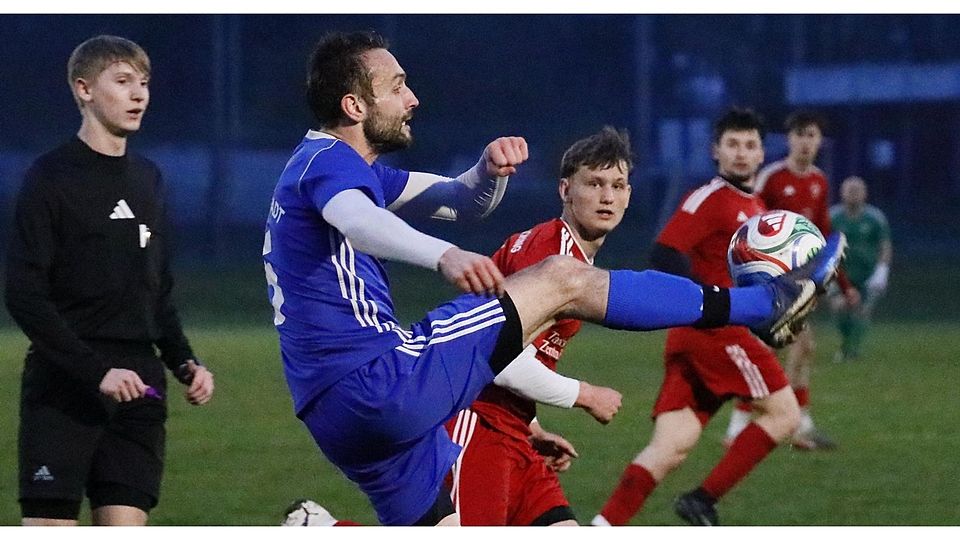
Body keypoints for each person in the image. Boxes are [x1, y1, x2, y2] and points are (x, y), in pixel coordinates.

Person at [264, 32, 841, 527]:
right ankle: (762, 303)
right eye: (396, 87)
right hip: (375, 378)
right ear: (354, 106)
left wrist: (487, 172)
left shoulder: (348, 170)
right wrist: (445, 256)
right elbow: (357, 222)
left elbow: (458, 199)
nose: (412, 98)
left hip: (337, 412)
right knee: (564, 278)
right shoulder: (328, 165)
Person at [4, 35, 215, 526]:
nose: (138, 94)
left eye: (144, 83)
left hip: (139, 387)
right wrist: (96, 371)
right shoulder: (50, 177)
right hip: (65, 385)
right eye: (122, 82)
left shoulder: (149, 179)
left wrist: (184, 361)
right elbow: (24, 294)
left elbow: (156, 291)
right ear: (84, 90)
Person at [594, 108, 819, 527]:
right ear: (716, 150)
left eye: (749, 145)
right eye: (732, 144)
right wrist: (711, 300)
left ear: (761, 153)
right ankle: (701, 501)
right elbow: (664, 251)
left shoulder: (755, 205)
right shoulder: (711, 197)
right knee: (785, 414)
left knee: (670, 447)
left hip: (698, 337)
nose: (741, 153)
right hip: (716, 333)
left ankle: (600, 527)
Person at [445, 127, 631, 526]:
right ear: (565, 190)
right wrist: (584, 395)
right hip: (475, 422)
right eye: (594, 183)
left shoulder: (563, 252)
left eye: (617, 185)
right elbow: (502, 360)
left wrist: (531, 427)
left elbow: (520, 345)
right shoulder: (549, 256)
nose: (607, 197)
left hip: (512, 429)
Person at [723, 110, 856, 450]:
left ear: (820, 141)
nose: (806, 142)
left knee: (801, 348)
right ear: (790, 139)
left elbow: (824, 233)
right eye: (800, 135)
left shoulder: (819, 181)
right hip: (771, 279)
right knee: (769, 350)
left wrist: (843, 284)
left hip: (801, 280)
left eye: (812, 135)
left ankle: (795, 424)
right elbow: (748, 223)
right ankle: (743, 424)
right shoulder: (771, 178)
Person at [829, 176, 892, 361]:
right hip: (841, 273)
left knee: (862, 311)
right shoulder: (832, 217)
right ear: (842, 193)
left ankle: (853, 350)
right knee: (840, 307)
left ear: (865, 193)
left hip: (867, 273)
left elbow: (884, 245)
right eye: (850, 190)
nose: (853, 194)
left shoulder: (875, 218)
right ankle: (846, 343)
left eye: (857, 190)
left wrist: (882, 271)